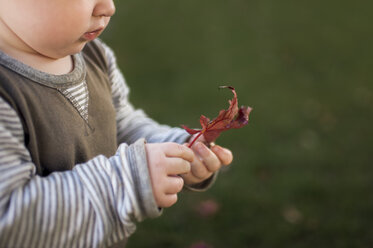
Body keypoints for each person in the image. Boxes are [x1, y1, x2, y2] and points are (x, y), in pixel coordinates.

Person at [0, 0, 233, 247]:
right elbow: (9, 219)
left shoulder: (95, 56)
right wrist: (124, 182)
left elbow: (119, 124)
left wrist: (175, 152)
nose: (108, 7)